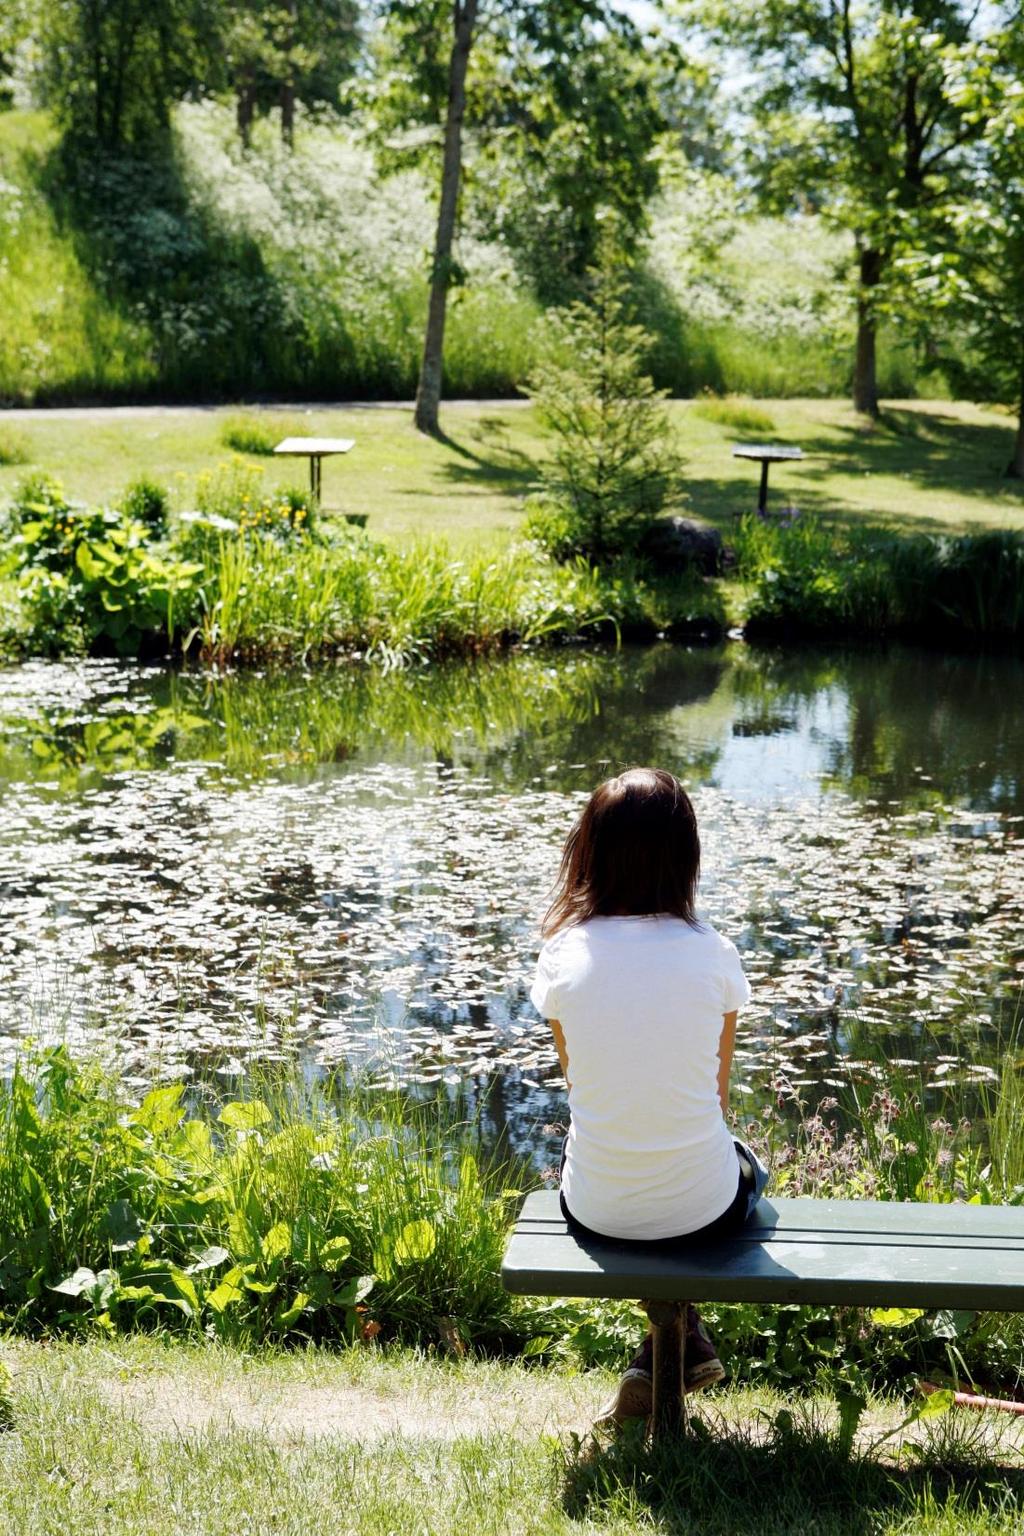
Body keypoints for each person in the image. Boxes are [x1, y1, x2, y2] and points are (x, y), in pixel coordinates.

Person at [529, 766, 767, 1430]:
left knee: (634, 1157)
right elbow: (713, 1100)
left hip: (595, 1208)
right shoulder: (712, 952)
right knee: (747, 1170)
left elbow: (584, 1085)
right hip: (702, 1205)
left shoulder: (563, 956)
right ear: (686, 857)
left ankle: (658, 1359)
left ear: (589, 852)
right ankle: (678, 1343)